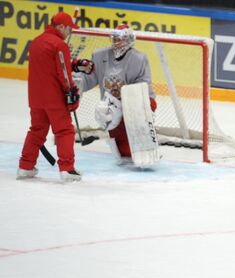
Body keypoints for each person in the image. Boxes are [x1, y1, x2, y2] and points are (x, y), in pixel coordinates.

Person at [18, 12, 94, 181]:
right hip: (54, 98)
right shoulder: (59, 45)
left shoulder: (36, 41)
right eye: (69, 29)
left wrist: (74, 64)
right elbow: (64, 74)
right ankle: (67, 169)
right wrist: (71, 93)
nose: (70, 33)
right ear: (61, 27)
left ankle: (25, 166)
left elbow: (51, 66)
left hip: (36, 98)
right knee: (65, 130)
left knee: (37, 131)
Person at [74, 24, 156, 164]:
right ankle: (120, 141)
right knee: (123, 151)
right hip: (111, 106)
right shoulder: (100, 55)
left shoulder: (139, 58)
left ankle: (145, 139)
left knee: (133, 148)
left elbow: (144, 85)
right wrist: (76, 83)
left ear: (129, 39)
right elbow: (89, 78)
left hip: (133, 104)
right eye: (115, 39)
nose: (116, 42)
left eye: (120, 39)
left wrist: (145, 108)